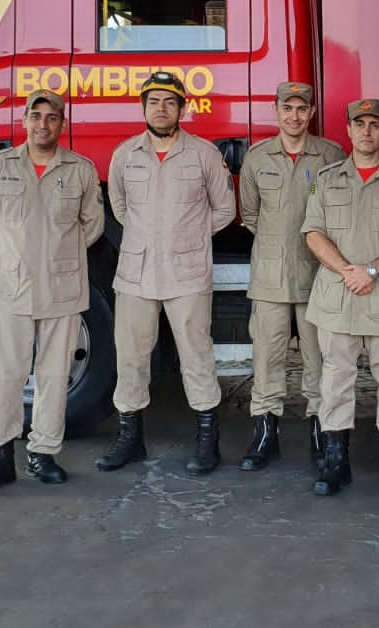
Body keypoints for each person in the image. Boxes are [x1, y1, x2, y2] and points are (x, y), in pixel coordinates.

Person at [95, 72, 236, 476]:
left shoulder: (204, 155)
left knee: (196, 356)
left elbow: (225, 209)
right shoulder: (125, 155)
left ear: (182, 108)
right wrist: (150, 238)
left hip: (187, 273)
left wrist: (188, 236)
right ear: (143, 107)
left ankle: (208, 440)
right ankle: (129, 438)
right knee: (132, 358)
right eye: (154, 101)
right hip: (137, 274)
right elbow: (120, 208)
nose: (161, 108)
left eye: (170, 102)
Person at [0, 89, 104, 493]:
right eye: (36, 116)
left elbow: (91, 226)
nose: (43, 124)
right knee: (5, 375)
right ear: (25, 120)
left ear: (63, 124)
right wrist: (11, 259)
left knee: (54, 375)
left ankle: (43, 455)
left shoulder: (80, 170)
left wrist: (56, 256)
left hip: (61, 288)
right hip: (9, 289)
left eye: (52, 118)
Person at [302, 99, 379, 496]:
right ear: (349, 131)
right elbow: (313, 232)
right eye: (360, 124)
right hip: (338, 294)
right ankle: (335, 461)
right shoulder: (326, 178)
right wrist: (348, 271)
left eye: (375, 124)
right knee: (336, 376)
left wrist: (371, 269)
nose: (367, 132)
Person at [238, 81, 347, 471]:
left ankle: (321, 433)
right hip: (269, 278)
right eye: (288, 108)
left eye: (302, 109)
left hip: (319, 277)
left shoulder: (330, 156)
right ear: (276, 110)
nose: (295, 116)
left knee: (320, 361)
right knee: (267, 359)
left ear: (312, 112)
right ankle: (266, 434)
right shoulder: (257, 157)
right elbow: (250, 215)